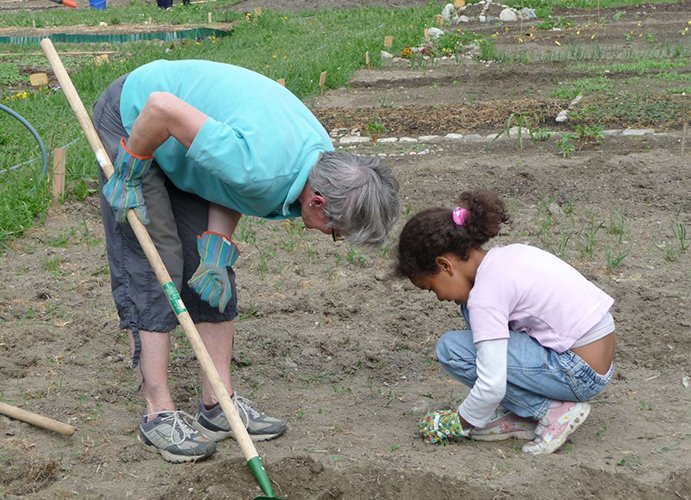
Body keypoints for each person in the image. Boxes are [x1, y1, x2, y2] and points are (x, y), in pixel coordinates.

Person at [92, 59, 400, 463]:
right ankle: (158, 413)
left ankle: (217, 405)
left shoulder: (318, 161)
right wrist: (130, 169)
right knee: (158, 263)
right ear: (318, 201)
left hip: (179, 139)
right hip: (137, 117)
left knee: (209, 267)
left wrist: (216, 245)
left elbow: (231, 181)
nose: (331, 239)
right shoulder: (263, 168)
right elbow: (161, 108)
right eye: (336, 231)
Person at [395, 190, 616, 454]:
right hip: (595, 359)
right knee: (471, 311)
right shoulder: (507, 257)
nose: (440, 298)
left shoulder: (486, 296)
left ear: (445, 266)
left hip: (576, 372)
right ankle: (523, 413)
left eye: (432, 288)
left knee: (451, 349)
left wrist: (458, 423)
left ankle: (552, 410)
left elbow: (491, 384)